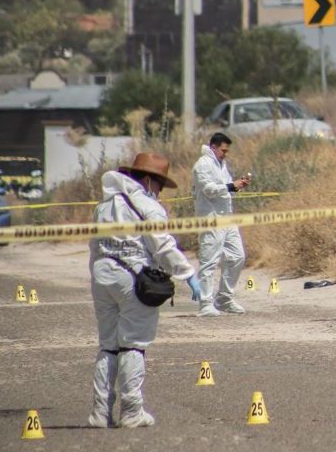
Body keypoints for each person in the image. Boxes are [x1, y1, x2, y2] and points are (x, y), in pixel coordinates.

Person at [89, 152, 201, 428]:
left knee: (108, 347)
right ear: (149, 180)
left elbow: (94, 247)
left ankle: (99, 413)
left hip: (101, 276)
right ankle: (131, 411)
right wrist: (187, 274)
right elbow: (162, 246)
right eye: (160, 185)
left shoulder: (103, 206)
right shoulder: (146, 205)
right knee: (133, 346)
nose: (160, 192)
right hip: (133, 278)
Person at [192, 132, 250, 317]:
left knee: (237, 256)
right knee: (209, 261)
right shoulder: (203, 164)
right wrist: (230, 186)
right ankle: (205, 303)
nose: (225, 153)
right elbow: (209, 189)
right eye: (223, 150)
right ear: (213, 147)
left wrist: (237, 186)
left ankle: (224, 298)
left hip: (227, 218)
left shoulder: (221, 164)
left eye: (227, 151)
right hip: (211, 218)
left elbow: (225, 188)